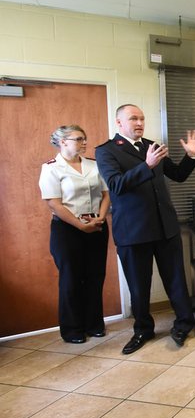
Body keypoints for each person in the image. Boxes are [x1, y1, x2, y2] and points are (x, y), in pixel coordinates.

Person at [96, 104, 195, 355]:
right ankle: (143, 330)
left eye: (142, 118)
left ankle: (184, 324)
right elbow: (116, 185)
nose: (139, 122)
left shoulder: (151, 146)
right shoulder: (107, 151)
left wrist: (191, 157)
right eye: (133, 118)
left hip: (165, 228)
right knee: (139, 286)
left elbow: (177, 175)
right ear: (119, 123)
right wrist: (147, 166)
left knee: (176, 280)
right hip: (133, 232)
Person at [39, 125, 110, 344]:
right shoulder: (51, 168)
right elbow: (54, 203)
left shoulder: (94, 165)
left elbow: (106, 194)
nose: (84, 142)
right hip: (67, 229)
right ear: (63, 142)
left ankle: (94, 324)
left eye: (84, 138)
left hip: (96, 225)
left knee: (95, 277)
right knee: (71, 279)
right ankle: (72, 330)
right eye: (79, 139)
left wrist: (100, 217)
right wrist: (80, 226)